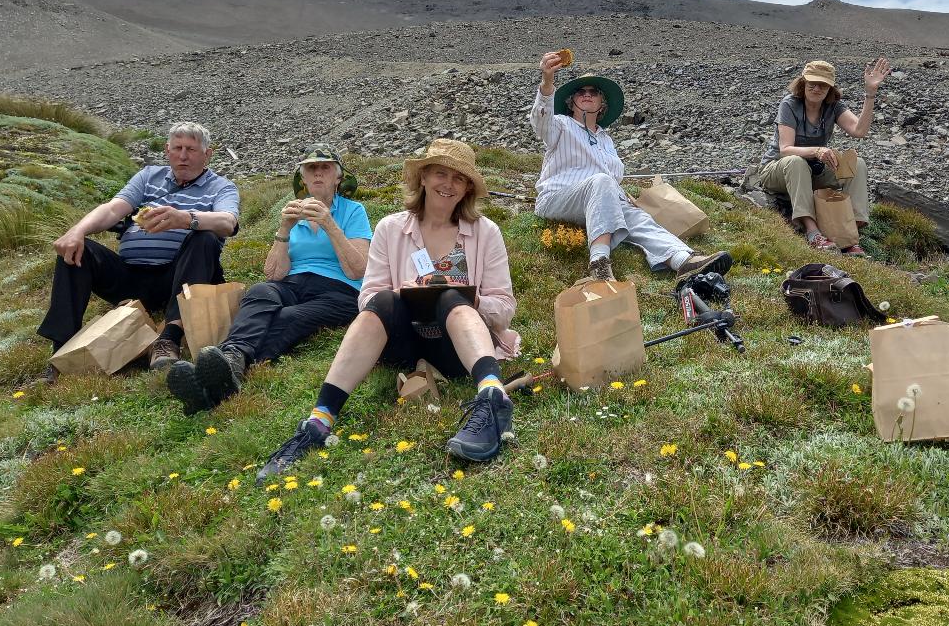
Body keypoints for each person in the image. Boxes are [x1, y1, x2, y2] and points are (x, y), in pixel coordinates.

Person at [257, 138, 520, 479]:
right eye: (440, 173)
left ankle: (492, 397)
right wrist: (408, 293)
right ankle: (318, 421)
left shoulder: (486, 232)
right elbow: (366, 298)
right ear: (423, 178)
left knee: (452, 297)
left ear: (468, 187)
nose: (448, 185)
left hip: (459, 349)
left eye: (459, 178)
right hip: (402, 345)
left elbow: (504, 307)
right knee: (382, 299)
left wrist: (467, 297)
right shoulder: (391, 228)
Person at [166, 144, 372, 414]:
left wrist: (330, 225)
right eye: (311, 168)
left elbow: (358, 269)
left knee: (289, 317)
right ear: (304, 177)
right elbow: (274, 274)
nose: (318, 173)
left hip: (339, 291)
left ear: (338, 177)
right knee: (262, 291)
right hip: (294, 282)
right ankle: (232, 359)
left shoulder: (353, 211)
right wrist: (283, 229)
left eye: (325, 168)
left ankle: (215, 383)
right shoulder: (294, 214)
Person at [36, 121, 240, 381]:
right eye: (177, 148)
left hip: (179, 279)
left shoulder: (221, 187)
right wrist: (77, 231)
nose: (183, 155)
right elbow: (112, 210)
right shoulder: (148, 177)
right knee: (78, 249)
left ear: (207, 154)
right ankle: (61, 350)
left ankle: (169, 339)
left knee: (206, 238)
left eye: (191, 149)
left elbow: (227, 222)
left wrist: (186, 219)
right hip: (130, 276)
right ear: (167, 150)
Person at [530, 53, 730, 283]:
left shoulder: (606, 140)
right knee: (602, 181)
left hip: (598, 199)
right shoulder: (561, 125)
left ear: (601, 103)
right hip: (558, 199)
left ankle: (682, 260)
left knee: (638, 217)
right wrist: (547, 82)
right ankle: (599, 263)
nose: (586, 95)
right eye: (580, 92)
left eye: (593, 92)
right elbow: (540, 122)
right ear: (570, 101)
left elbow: (611, 178)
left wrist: (621, 194)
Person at [755, 57, 892, 254]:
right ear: (803, 83)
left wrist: (870, 94)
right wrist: (817, 151)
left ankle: (851, 230)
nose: (817, 88)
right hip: (778, 169)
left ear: (830, 88)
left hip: (813, 171)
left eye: (823, 85)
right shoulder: (790, 104)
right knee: (796, 161)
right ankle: (812, 232)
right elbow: (785, 149)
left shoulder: (834, 106)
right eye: (812, 83)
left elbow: (859, 131)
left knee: (857, 164)